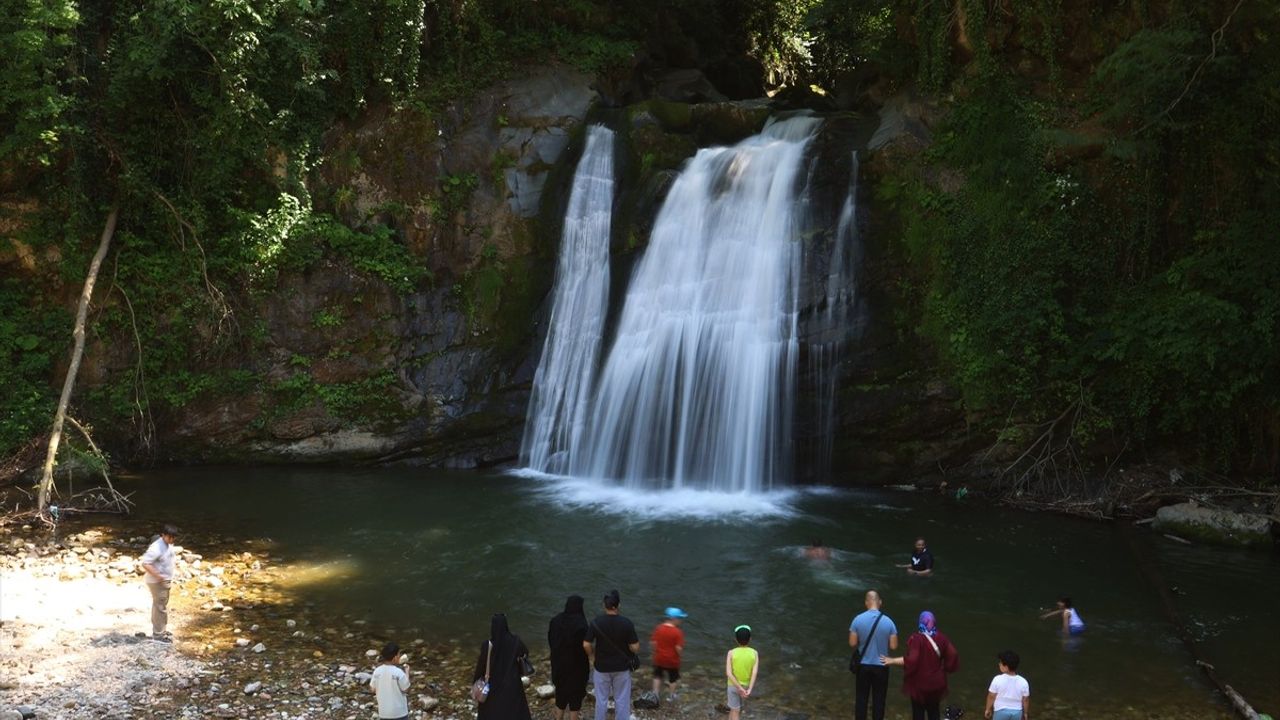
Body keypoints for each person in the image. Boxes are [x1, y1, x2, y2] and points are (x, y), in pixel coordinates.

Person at [880, 611, 960, 720]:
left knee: (918, 713)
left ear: (920, 623)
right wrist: (946, 668)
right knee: (934, 711)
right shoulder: (942, 638)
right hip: (936, 685)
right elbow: (953, 654)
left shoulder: (916, 639)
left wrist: (892, 660)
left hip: (919, 685)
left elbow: (912, 660)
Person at [583, 589, 639, 720]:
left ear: (604, 605)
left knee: (601, 700)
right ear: (619, 605)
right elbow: (635, 648)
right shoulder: (627, 623)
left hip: (601, 667)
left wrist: (592, 657)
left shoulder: (596, 622)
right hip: (622, 668)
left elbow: (586, 644)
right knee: (622, 700)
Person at [849, 589, 899, 720]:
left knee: (861, 700)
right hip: (882, 665)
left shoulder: (857, 620)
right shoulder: (889, 622)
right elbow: (894, 646)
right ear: (880, 602)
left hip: (863, 665)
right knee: (879, 701)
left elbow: (852, 643)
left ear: (866, 603)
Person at [473, 613, 532, 720]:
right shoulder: (516, 641)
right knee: (515, 711)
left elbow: (481, 666)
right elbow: (525, 652)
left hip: (493, 685)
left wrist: (476, 680)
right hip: (512, 684)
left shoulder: (487, 645)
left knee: (492, 712)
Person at [548, 595, 590, 720]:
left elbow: (551, 640)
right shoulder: (581, 624)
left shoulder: (555, 620)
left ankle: (558, 718)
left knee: (560, 694)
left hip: (559, 664)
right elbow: (584, 647)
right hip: (577, 667)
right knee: (575, 697)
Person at [139, 524, 179, 641]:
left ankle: (161, 630)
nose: (172, 540)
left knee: (161, 605)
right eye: (170, 537)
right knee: (160, 607)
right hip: (157, 582)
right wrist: (159, 576)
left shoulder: (167, 544)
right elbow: (145, 563)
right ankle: (158, 634)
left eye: (173, 538)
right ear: (163, 535)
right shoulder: (156, 547)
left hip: (163, 580)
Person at [650, 607, 687, 703]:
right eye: (679, 618)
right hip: (672, 660)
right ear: (674, 619)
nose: (681, 620)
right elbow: (678, 648)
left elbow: (653, 642)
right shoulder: (678, 632)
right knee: (673, 679)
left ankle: (655, 694)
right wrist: (681, 656)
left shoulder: (659, 628)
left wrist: (655, 651)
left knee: (657, 676)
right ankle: (671, 696)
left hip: (659, 658)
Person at [725, 625, 759, 720]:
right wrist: (749, 689)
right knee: (734, 709)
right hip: (745, 687)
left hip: (733, 686)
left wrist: (738, 688)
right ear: (750, 639)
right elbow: (754, 672)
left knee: (735, 710)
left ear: (736, 639)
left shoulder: (731, 653)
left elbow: (729, 673)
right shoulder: (754, 653)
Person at [370, 641, 411, 720]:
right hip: (399, 713)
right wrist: (407, 673)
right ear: (395, 657)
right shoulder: (398, 672)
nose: (399, 656)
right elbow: (406, 689)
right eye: (399, 654)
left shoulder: (377, 671)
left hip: (383, 713)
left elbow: (372, 689)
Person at [985, 650, 1029, 720]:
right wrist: (1025, 713)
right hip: (1017, 712)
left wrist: (988, 709)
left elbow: (991, 696)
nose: (999, 664)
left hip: (1000, 711)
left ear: (1006, 667)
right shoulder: (1023, 681)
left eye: (1001, 663)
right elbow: (1025, 699)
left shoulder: (997, 679)